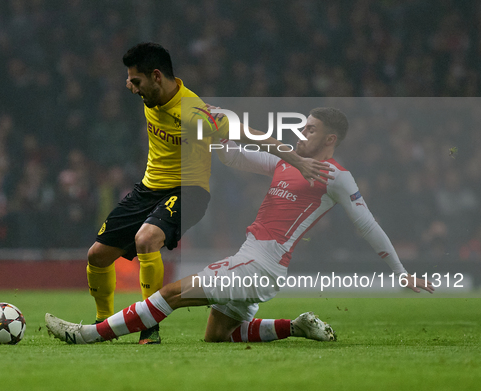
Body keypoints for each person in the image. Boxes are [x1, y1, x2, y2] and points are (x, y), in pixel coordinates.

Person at [48, 107, 435, 344]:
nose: (302, 133)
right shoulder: (286, 161)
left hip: (261, 265)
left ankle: (86, 334)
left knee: (172, 293)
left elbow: (368, 225)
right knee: (219, 335)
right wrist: (212, 126)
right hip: (253, 260)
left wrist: (400, 273)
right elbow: (233, 156)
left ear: (330, 139)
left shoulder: (335, 176)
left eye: (312, 130)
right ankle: (295, 326)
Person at [86, 43, 336, 344]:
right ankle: (102, 324)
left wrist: (296, 160)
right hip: (149, 188)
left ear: (156, 77)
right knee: (97, 256)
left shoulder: (195, 112)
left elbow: (250, 134)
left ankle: (149, 327)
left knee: (146, 239)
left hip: (189, 191)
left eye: (135, 81)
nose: (130, 87)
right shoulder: (151, 97)